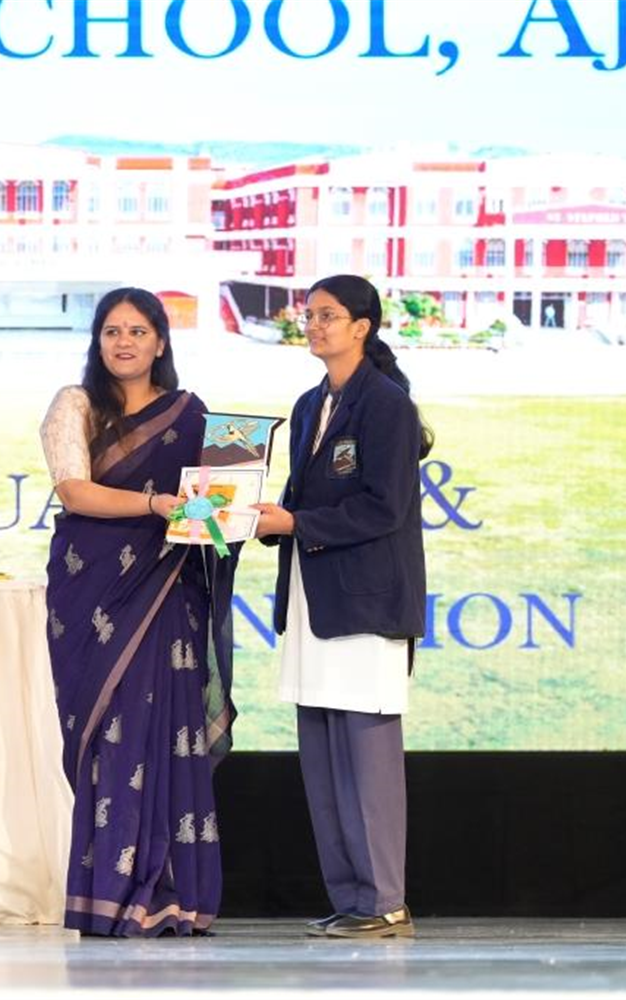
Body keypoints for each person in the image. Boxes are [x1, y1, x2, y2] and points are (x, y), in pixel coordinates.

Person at [40, 287, 238, 937]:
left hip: (167, 590)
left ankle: (172, 893)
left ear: (160, 342)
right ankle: (110, 892)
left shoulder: (192, 415)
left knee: (167, 732)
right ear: (97, 341)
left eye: (137, 331)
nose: (123, 342)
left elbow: (221, 503)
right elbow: (74, 491)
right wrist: (155, 505)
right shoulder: (75, 405)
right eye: (112, 331)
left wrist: (231, 509)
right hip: (91, 590)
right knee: (108, 739)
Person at [253, 274, 431, 939]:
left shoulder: (387, 406)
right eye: (309, 315)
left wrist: (296, 523)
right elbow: (299, 499)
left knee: (366, 755)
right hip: (311, 598)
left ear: (362, 327)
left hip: (365, 604)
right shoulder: (308, 405)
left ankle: (384, 899)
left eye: (327, 315)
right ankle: (352, 898)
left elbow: (384, 507)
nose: (314, 325)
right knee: (323, 756)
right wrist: (257, 517)